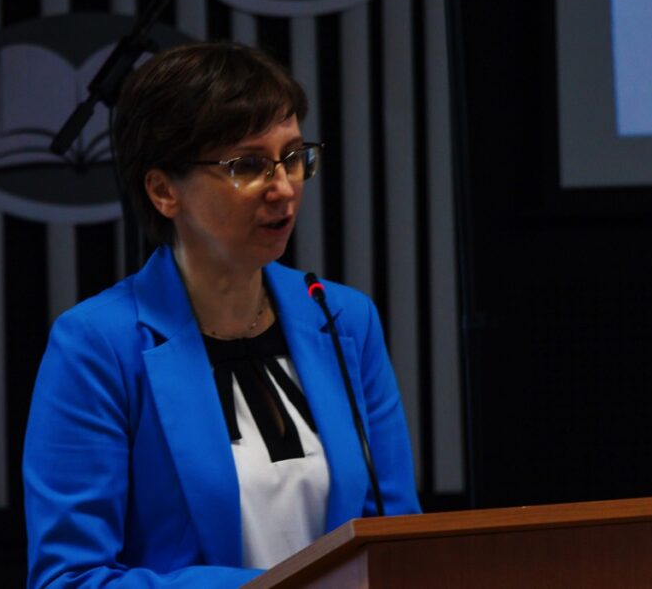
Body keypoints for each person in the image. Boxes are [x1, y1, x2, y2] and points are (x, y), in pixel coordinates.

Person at [23, 41, 420, 588]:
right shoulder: (96, 345)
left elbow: (396, 543)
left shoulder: (343, 319)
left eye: (293, 157)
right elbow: (69, 579)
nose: (283, 188)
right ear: (164, 191)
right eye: (249, 165)